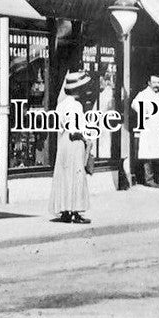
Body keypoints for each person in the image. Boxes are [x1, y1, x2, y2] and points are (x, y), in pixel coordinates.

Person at [49, 71, 93, 224]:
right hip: (75, 143)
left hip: (63, 143)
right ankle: (75, 211)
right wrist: (86, 139)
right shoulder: (76, 105)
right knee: (77, 175)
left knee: (64, 176)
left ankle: (65, 211)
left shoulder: (61, 105)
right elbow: (76, 129)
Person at [132, 75, 159, 187]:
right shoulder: (143, 94)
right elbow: (134, 104)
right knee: (149, 154)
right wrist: (144, 112)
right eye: (154, 82)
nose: (157, 85)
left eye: (158, 83)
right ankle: (149, 180)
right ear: (149, 83)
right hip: (150, 129)